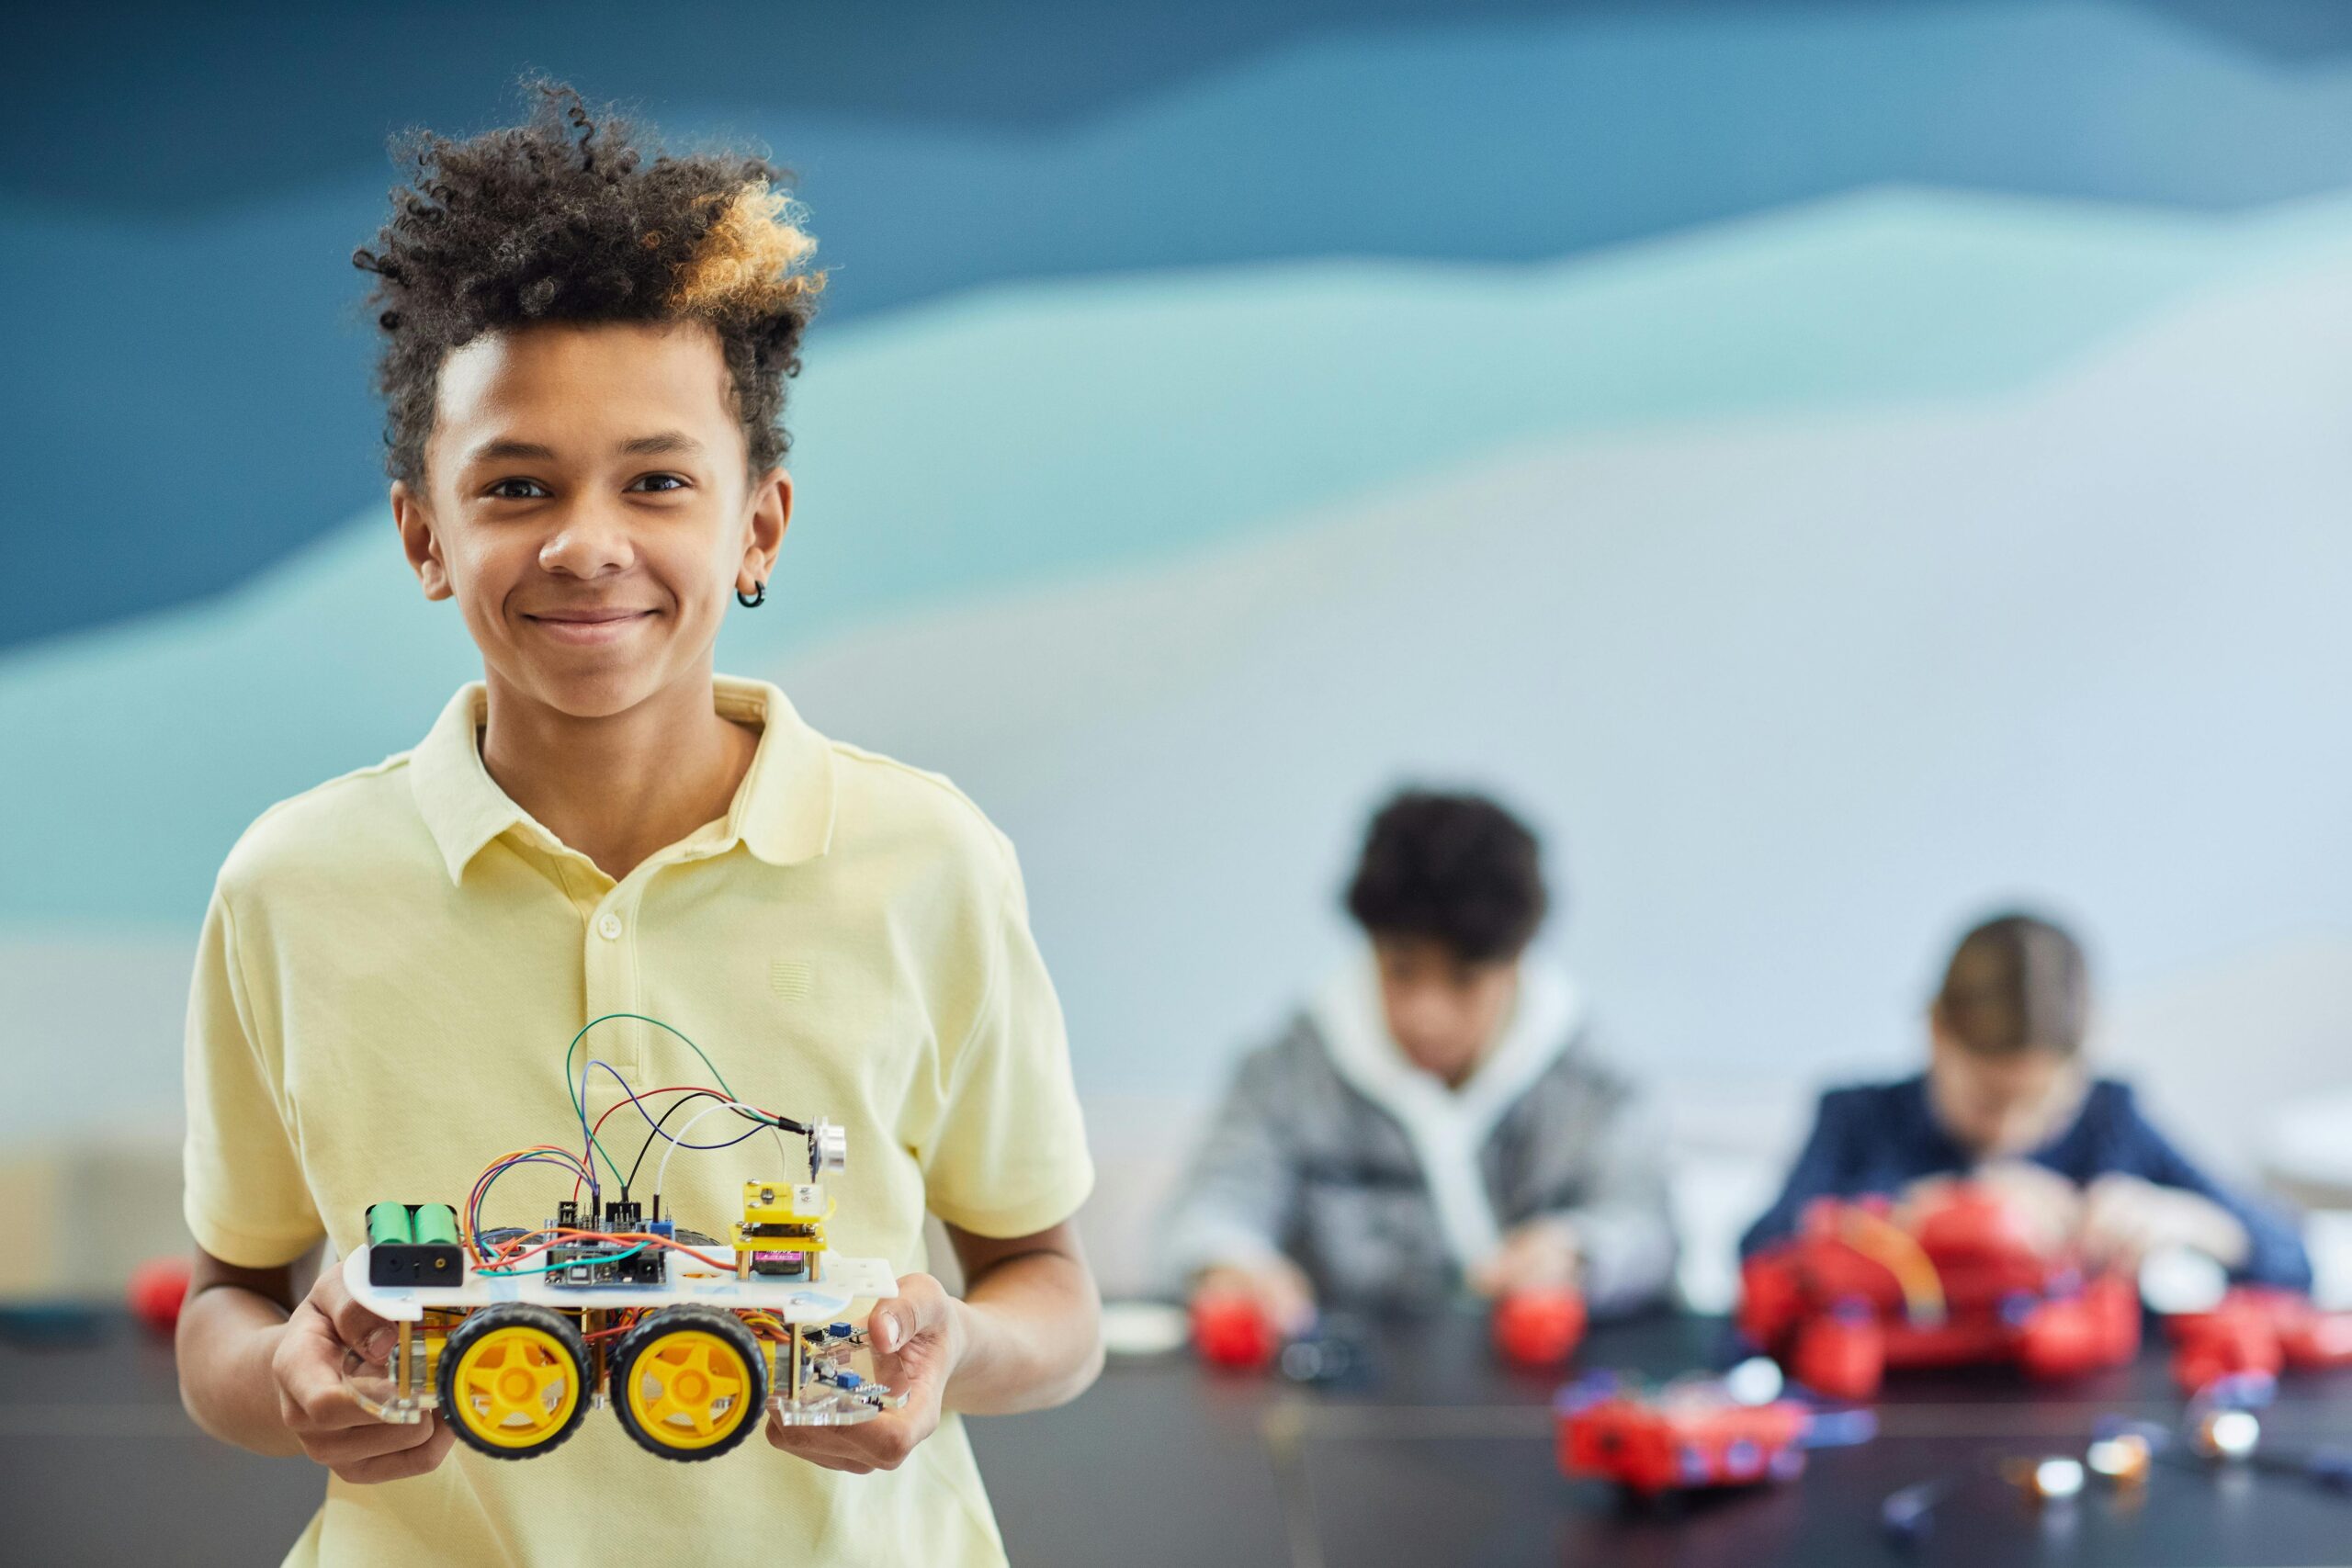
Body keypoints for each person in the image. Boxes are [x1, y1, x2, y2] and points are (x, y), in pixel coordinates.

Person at [175, 84, 1101, 1567]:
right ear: (425, 534)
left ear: (758, 526)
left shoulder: (929, 861)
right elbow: (227, 1302)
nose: (586, 541)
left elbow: (1051, 1294)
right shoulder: (293, 884)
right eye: (516, 485)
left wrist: (950, 1351)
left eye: (658, 480)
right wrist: (281, 1379)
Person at [1160, 789, 1678, 1333]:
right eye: (1401, 970)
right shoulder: (1288, 1069)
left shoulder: (1596, 1081)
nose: (1428, 1016)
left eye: (1464, 980)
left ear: (1518, 960)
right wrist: (1229, 1265)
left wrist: (1574, 1254)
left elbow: (1648, 1228)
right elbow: (1211, 1204)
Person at [1740, 910, 2311, 1289]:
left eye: (2042, 1106)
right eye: (1989, 1101)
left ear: (2090, 1051)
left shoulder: (2112, 1120)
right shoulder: (1858, 1120)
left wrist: (2190, 1222)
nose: (2011, 1132)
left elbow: (2293, 1260)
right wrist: (1925, 1212)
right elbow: (1756, 1257)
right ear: (1936, 1033)